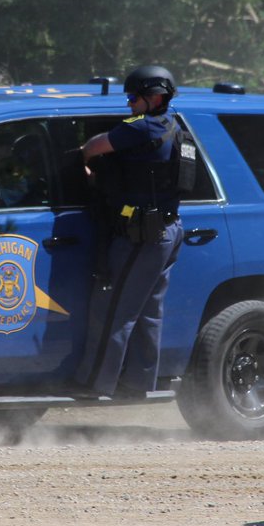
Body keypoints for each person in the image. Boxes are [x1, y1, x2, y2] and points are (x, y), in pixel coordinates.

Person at [72, 65, 186, 399]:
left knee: (113, 309)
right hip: (167, 229)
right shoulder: (175, 126)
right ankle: (136, 384)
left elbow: (94, 146)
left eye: (134, 97)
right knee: (149, 312)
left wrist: (85, 160)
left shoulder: (142, 127)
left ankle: (93, 384)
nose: (129, 104)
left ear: (155, 97)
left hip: (142, 235)